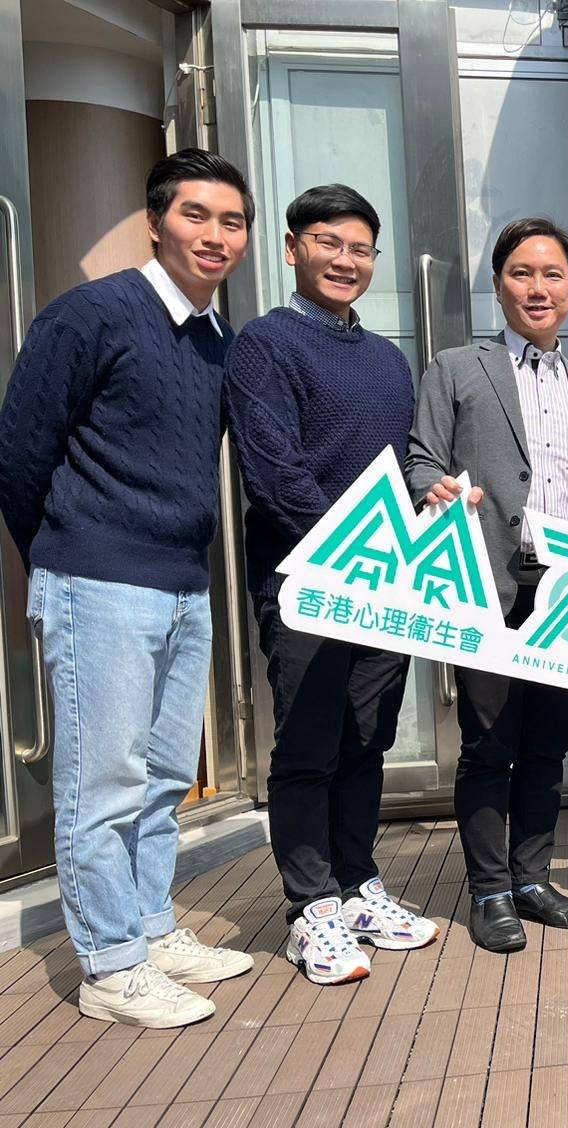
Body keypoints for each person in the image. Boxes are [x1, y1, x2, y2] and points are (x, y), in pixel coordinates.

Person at [0, 150, 256, 1027]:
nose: (215, 235)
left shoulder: (219, 341)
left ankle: (149, 927)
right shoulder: (91, 314)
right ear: (155, 223)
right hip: (98, 581)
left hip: (184, 583)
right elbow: (21, 453)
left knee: (161, 778)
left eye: (231, 221)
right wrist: (65, 557)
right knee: (101, 783)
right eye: (196, 215)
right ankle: (110, 968)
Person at [225, 184, 438, 985]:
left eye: (360, 248)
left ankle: (356, 886)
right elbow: (274, 474)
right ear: (292, 249)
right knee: (308, 747)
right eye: (328, 243)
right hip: (307, 586)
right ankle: (310, 908)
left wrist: (434, 501)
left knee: (366, 741)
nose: (345, 260)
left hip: (386, 587)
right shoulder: (264, 345)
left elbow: (402, 470)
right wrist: (355, 554)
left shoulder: (386, 359)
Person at [407, 218, 568, 953]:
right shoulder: (455, 369)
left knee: (547, 746)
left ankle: (533, 879)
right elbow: (420, 459)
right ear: (498, 285)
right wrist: (435, 488)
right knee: (487, 745)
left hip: (567, 593)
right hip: (485, 585)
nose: (538, 288)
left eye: (552, 275)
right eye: (522, 273)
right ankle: (489, 890)